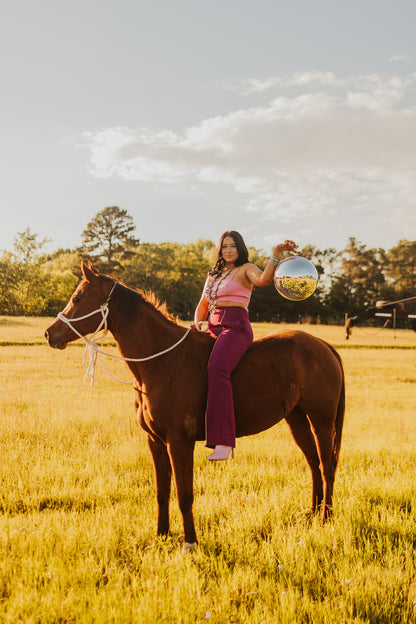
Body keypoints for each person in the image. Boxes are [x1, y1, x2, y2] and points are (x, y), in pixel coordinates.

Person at [193, 230, 297, 461]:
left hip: (235, 326)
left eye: (233, 246)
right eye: (224, 246)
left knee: (217, 369)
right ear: (220, 250)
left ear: (240, 248)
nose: (228, 250)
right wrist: (197, 323)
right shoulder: (214, 275)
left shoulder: (246, 269)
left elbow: (264, 280)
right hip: (212, 325)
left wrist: (276, 254)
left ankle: (224, 442)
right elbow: (203, 304)